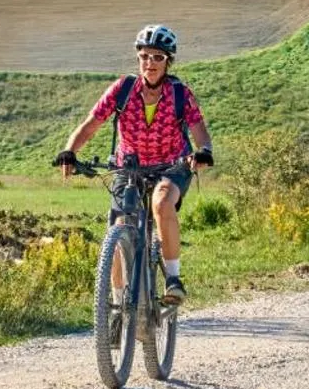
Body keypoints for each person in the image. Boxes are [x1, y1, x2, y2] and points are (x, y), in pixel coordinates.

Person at [55, 24, 213, 305]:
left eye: (157, 57)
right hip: (128, 166)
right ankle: (115, 307)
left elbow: (198, 126)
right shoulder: (123, 89)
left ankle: (173, 279)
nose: (149, 63)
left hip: (172, 165)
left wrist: (204, 151)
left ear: (168, 61)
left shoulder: (179, 93)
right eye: (144, 56)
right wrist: (69, 150)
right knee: (118, 225)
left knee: (162, 203)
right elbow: (92, 124)